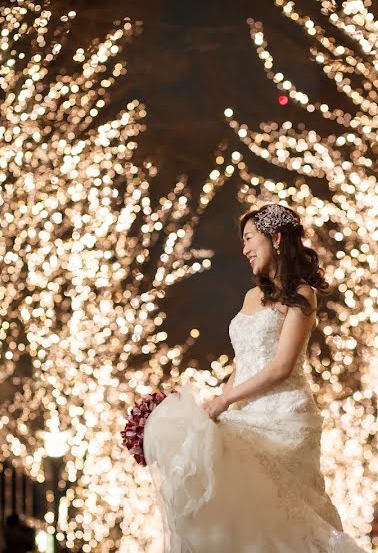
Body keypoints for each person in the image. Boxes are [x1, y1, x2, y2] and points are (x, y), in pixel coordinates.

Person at [144, 203, 366, 551]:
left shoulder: (302, 294)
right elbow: (241, 363)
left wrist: (225, 400)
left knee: (285, 516)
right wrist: (217, 404)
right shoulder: (251, 296)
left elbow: (281, 366)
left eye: (250, 239)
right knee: (234, 508)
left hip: (283, 415)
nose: (245, 250)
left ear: (276, 238)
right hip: (241, 413)